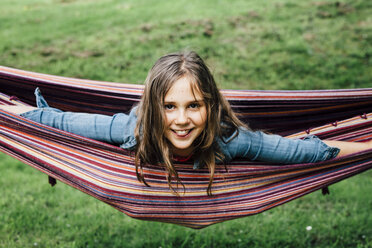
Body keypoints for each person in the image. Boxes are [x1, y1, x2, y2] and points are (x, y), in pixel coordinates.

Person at [1, 51, 371, 195]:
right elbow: (58, 120)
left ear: (210, 106)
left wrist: (367, 148)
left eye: (193, 105)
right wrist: (8, 115)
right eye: (169, 106)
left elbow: (303, 151)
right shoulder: (131, 129)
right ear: (151, 108)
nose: (181, 120)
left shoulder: (230, 140)